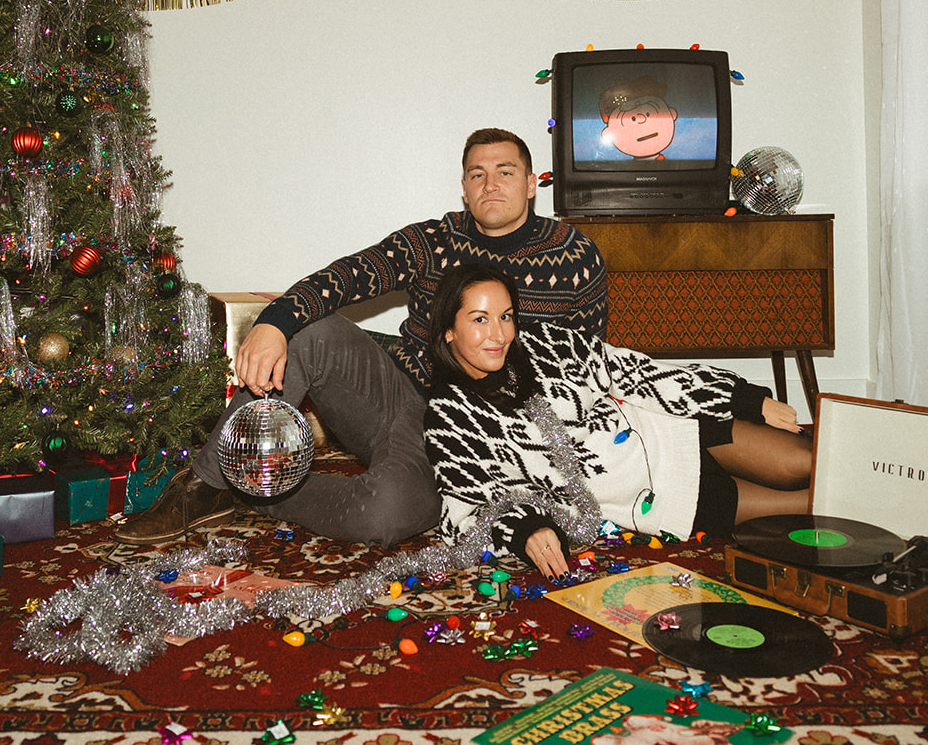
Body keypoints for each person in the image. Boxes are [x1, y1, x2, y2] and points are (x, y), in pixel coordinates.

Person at [117, 128, 608, 547]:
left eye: (505, 171)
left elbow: (587, 367)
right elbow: (348, 276)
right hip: (409, 403)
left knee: (386, 516)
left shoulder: (574, 254)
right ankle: (209, 483)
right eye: (477, 174)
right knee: (314, 330)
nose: (491, 183)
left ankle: (258, 493)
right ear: (464, 188)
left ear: (530, 184)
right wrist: (274, 322)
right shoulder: (433, 240)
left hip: (497, 437)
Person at [423, 262, 811, 579]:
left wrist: (741, 398)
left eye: (506, 316)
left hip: (668, 429)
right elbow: (463, 510)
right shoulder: (448, 415)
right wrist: (524, 529)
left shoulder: (545, 342)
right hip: (662, 496)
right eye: (479, 319)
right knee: (812, 505)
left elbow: (632, 370)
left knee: (801, 461)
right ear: (449, 330)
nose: (498, 334)